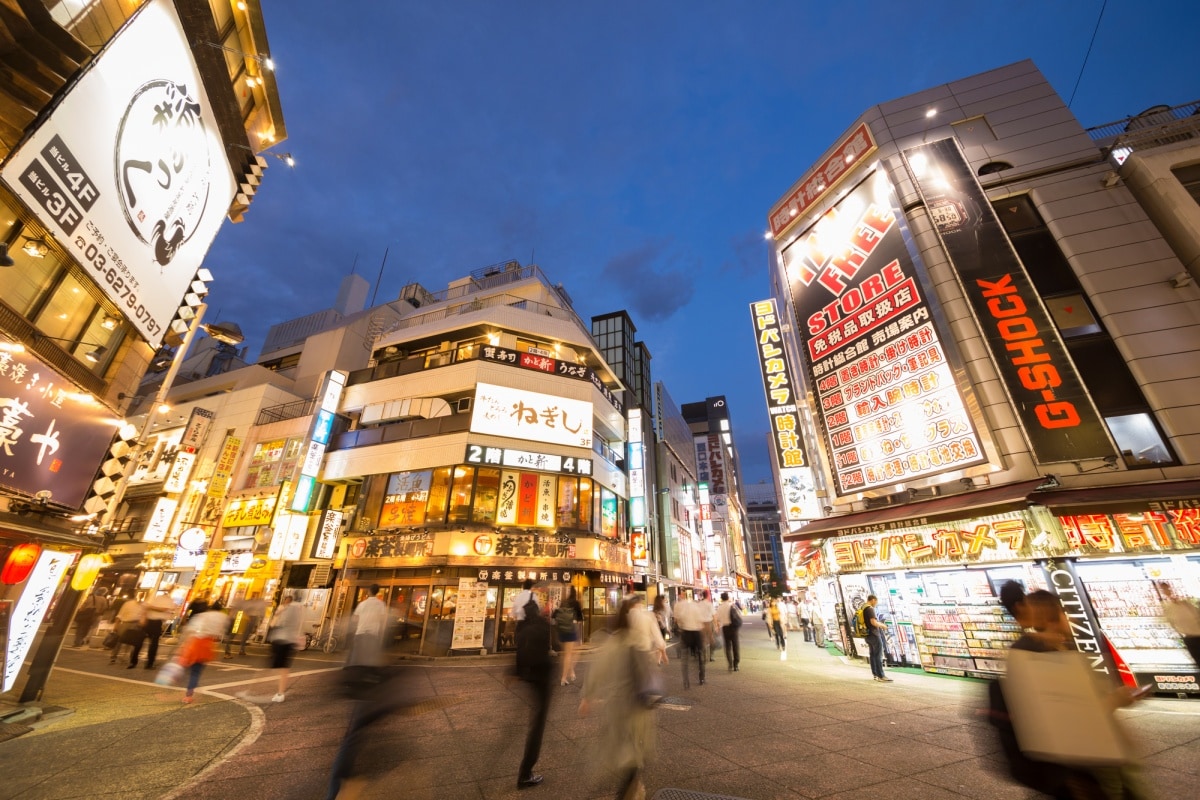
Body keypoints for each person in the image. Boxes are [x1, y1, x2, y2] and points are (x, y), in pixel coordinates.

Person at [580, 597, 658, 800]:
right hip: (635, 706)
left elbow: (596, 670)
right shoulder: (636, 640)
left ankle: (630, 785)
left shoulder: (611, 642)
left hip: (616, 704)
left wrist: (587, 697)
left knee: (624, 746)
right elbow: (645, 672)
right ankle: (628, 791)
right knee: (635, 751)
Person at [514, 596, 554, 789]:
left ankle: (525, 772)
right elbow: (551, 648)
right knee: (537, 728)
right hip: (543, 682)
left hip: (530, 680)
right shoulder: (542, 625)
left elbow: (519, 653)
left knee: (534, 724)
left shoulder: (522, 628)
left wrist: (516, 674)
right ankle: (525, 774)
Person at [179, 601, 228, 704]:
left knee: (187, 667)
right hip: (208, 645)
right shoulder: (223, 617)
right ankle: (189, 694)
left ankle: (187, 686)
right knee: (196, 672)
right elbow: (221, 633)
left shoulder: (202, 616)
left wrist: (183, 645)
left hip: (196, 643)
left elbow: (190, 630)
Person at [267, 594, 304, 702]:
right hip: (290, 640)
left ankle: (280, 693)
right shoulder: (298, 610)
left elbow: (280, 622)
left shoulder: (286, 609)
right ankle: (280, 692)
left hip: (281, 639)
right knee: (284, 668)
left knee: (276, 665)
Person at [1156, 581, 1200, 667]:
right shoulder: (1170, 608)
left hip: (1194, 637)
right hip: (1191, 638)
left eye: (1166, 588)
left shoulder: (1185, 603)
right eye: (1164, 589)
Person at [623, 584, 668, 666]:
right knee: (642, 675)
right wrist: (663, 652)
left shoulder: (625, 618)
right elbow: (657, 636)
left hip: (627, 653)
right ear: (638, 604)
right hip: (642, 651)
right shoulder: (646, 617)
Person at [131, 591, 175, 670]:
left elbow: (149, 607)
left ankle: (138, 662)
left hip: (153, 622)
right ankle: (145, 663)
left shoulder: (156, 599)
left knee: (145, 643)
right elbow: (163, 609)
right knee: (148, 644)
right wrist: (154, 609)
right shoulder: (163, 600)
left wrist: (151, 608)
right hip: (153, 622)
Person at [349, 585, 389, 667]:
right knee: (370, 657)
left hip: (360, 632)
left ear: (369, 591)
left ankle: (352, 672)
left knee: (356, 654)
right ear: (377, 592)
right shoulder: (381, 604)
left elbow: (354, 619)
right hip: (373, 634)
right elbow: (383, 619)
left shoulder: (362, 604)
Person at [672, 591, 705, 688]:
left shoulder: (683, 608)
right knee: (700, 656)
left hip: (686, 633)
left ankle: (686, 680)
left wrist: (682, 627)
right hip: (696, 633)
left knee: (685, 658)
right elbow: (701, 621)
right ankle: (701, 677)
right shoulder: (696, 607)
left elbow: (679, 620)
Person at [555, 586, 584, 686]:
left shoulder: (563, 602)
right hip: (571, 630)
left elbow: (555, 615)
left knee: (566, 654)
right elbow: (580, 618)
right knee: (571, 654)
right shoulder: (576, 603)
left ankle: (571, 672)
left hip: (561, 630)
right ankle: (563, 678)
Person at [226, 591, 267, 657]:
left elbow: (235, 609)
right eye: (254, 595)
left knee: (241, 634)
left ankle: (233, 651)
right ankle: (236, 650)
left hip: (243, 617)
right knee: (241, 633)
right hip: (246, 618)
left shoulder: (246, 602)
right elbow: (262, 612)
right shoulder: (251, 602)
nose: (254, 596)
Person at [110, 595, 146, 667]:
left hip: (136, 624)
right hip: (126, 623)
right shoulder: (128, 604)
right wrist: (116, 625)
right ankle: (113, 656)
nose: (140, 599)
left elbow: (143, 616)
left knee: (130, 642)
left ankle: (124, 657)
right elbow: (120, 614)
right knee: (119, 640)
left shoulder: (143, 605)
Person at [862, 595, 890, 682]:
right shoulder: (870, 609)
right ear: (873, 600)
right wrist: (883, 625)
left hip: (867, 634)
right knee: (878, 655)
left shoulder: (863, 607)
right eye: (876, 602)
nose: (876, 604)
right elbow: (873, 622)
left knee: (873, 655)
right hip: (874, 634)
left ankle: (875, 674)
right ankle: (881, 675)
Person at [715, 591, 741, 672]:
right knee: (735, 646)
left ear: (721, 599)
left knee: (727, 647)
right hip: (733, 628)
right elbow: (739, 615)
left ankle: (730, 664)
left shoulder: (719, 607)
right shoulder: (732, 606)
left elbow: (718, 619)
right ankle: (736, 665)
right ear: (728, 598)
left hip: (725, 628)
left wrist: (718, 627)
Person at [697, 590, 716, 663]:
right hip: (709, 623)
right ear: (708, 595)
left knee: (703, 641)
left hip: (701, 624)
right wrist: (716, 624)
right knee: (712, 640)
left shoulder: (699, 604)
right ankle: (711, 656)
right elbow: (714, 615)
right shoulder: (709, 604)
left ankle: (704, 657)